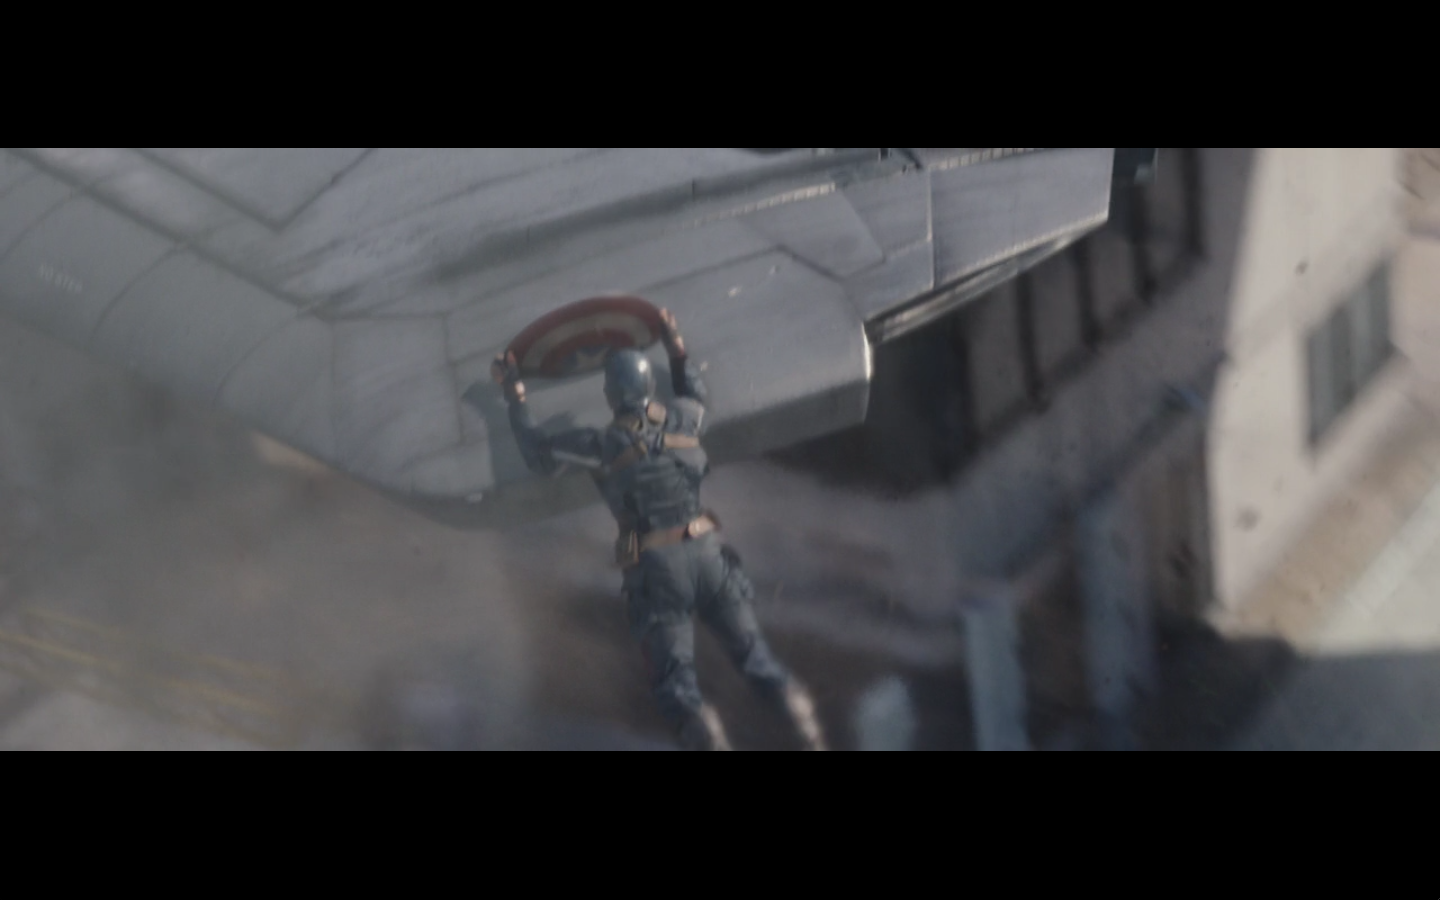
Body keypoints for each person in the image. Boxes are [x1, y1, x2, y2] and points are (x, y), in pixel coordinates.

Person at [490, 309, 827, 751]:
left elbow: (538, 454)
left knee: (677, 686)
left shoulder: (603, 444)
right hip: (709, 555)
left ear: (611, 394)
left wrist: (514, 393)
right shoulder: (685, 418)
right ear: (649, 386)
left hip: (658, 569)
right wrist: (674, 343)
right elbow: (695, 392)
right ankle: (811, 738)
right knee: (757, 660)